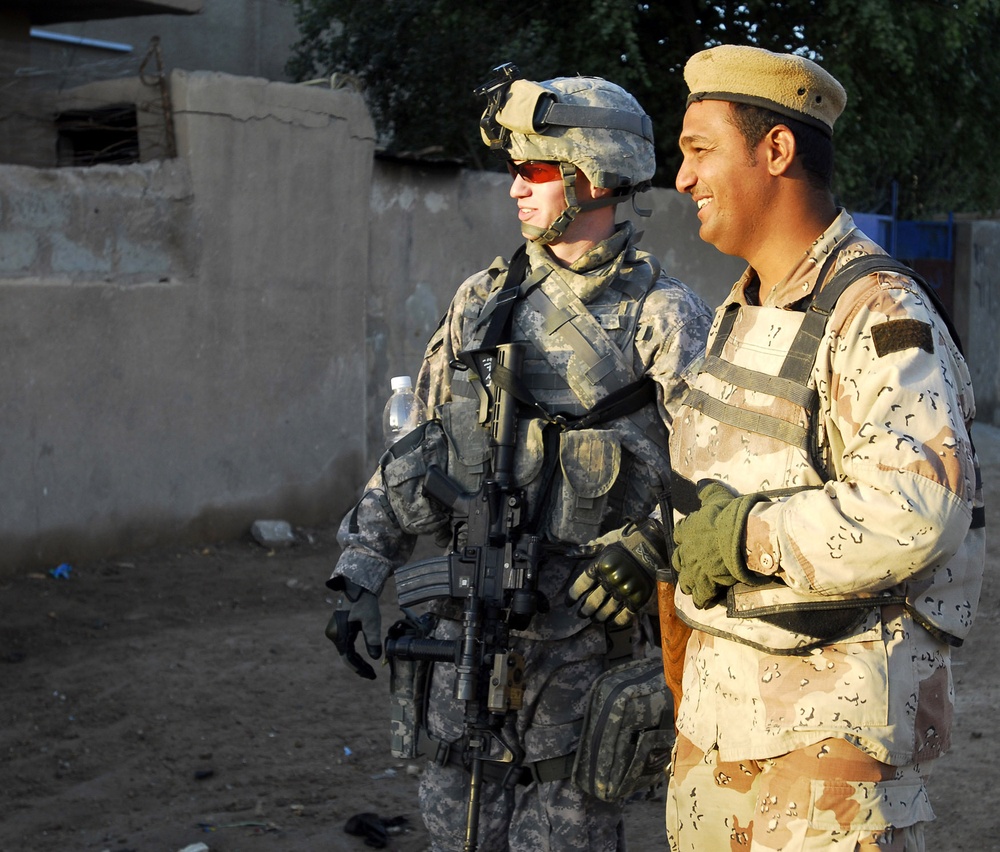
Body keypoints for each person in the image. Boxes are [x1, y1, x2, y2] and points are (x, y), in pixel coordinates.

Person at [325, 66, 712, 851]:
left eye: (534, 170)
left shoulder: (665, 317)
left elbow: (720, 478)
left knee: (563, 833)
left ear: (593, 174)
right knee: (455, 824)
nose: (515, 190)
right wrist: (361, 565)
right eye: (514, 170)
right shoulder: (483, 300)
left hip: (584, 645)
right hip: (469, 628)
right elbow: (425, 445)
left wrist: (647, 549)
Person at [660, 44, 985, 851]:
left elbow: (918, 508)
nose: (682, 179)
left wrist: (746, 537)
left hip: (823, 762)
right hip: (718, 740)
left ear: (776, 151)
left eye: (700, 151)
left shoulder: (875, 313)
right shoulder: (739, 313)